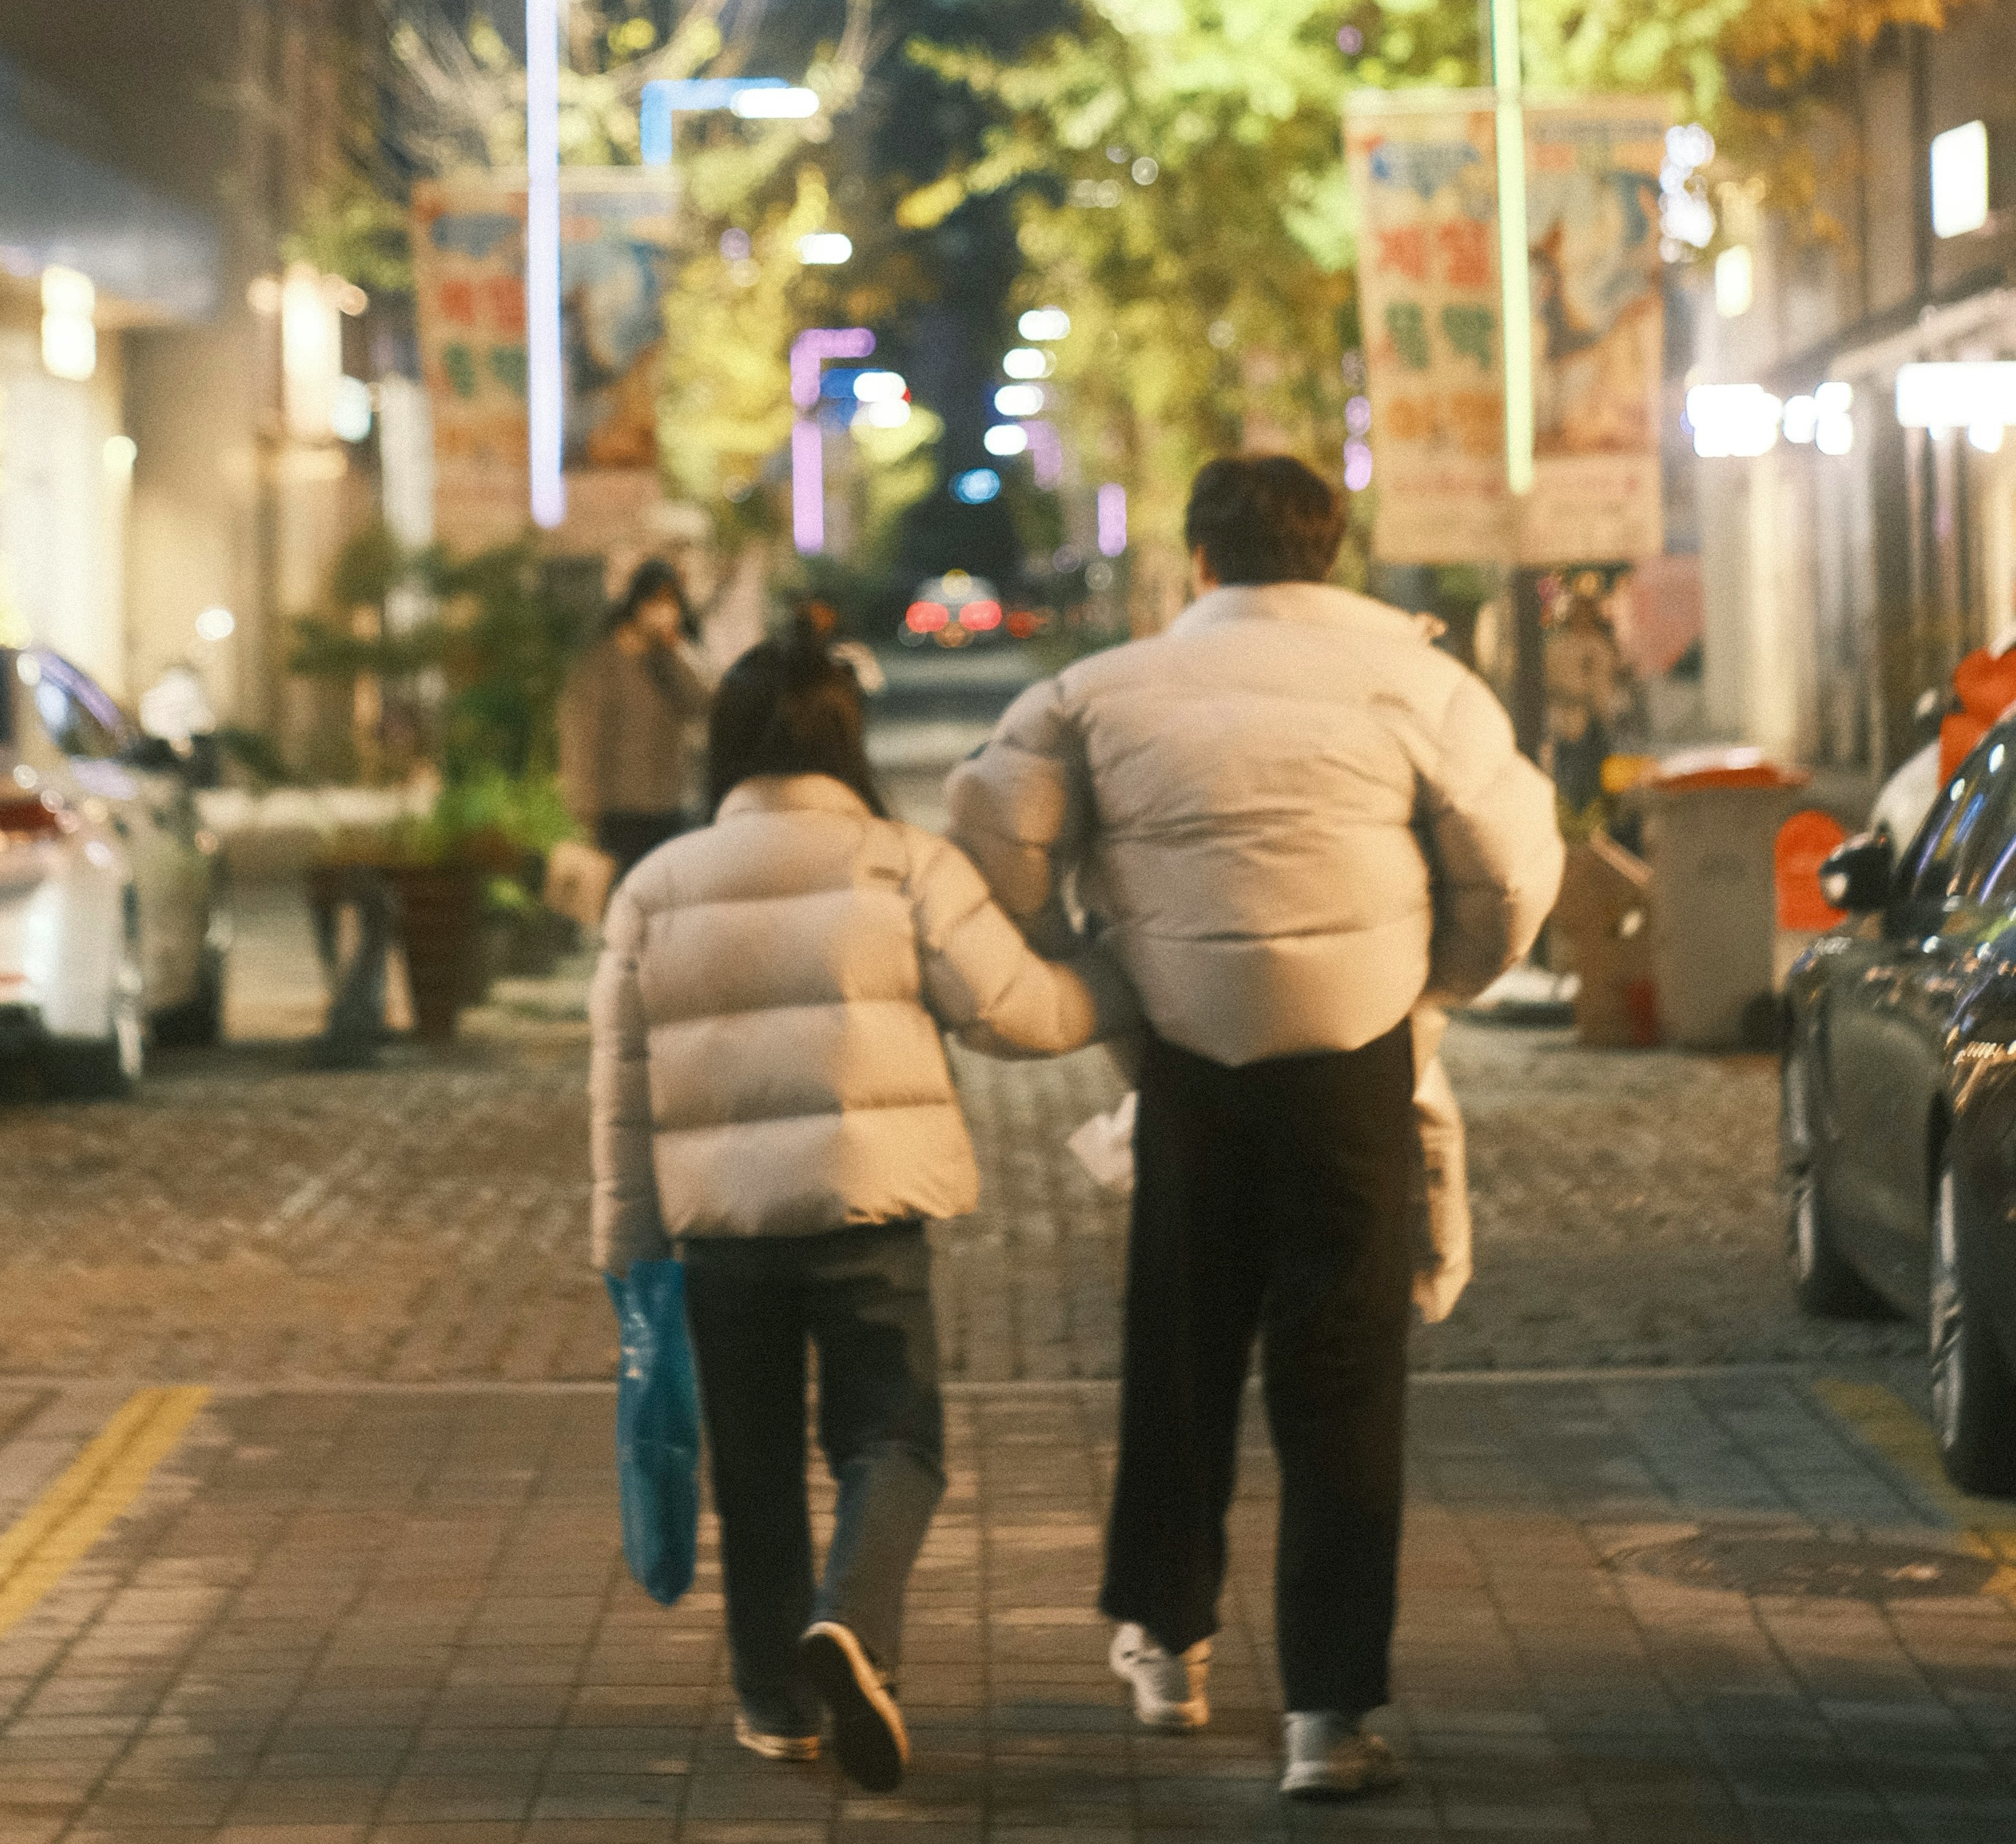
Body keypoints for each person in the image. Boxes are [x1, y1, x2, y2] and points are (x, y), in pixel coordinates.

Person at [947, 454, 1562, 1805]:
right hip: (1354, 1061)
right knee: (1343, 1371)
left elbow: (992, 840)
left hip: (1185, 1059)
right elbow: (1511, 867)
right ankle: (1328, 1714)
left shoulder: (1096, 691)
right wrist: (1428, 978)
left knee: (1178, 1345)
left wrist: (1100, 971)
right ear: (1330, 551)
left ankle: (1167, 1645)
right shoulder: (1420, 684)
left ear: (1199, 561)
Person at [589, 626, 1125, 1791]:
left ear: (726, 746)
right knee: (896, 1440)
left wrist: (628, 1252)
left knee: (759, 1468)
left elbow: (621, 1092)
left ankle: (776, 1706)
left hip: (721, 1237)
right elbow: (1016, 1011)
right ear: (849, 741)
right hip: (868, 1219)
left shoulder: (656, 888)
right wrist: (1124, 983)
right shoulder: (904, 865)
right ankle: (853, 1623)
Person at [559, 557, 714, 880]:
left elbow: (703, 704)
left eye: (672, 602)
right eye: (656, 601)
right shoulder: (604, 661)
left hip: (669, 804)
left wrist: (675, 650)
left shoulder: (670, 659)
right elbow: (582, 737)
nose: (664, 610)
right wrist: (585, 808)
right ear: (638, 603)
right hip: (619, 809)